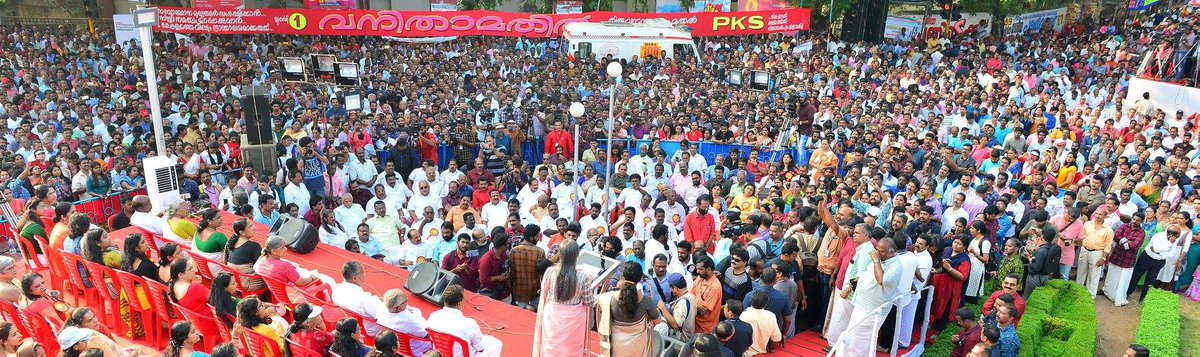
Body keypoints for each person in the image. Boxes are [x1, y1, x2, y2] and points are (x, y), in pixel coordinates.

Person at [833, 238, 902, 357]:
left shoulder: (896, 266)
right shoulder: (880, 259)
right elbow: (864, 275)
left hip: (873, 309)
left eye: (881, 251)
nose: (877, 253)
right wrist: (849, 289)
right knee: (854, 335)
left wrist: (876, 261)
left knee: (859, 340)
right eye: (877, 250)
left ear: (892, 252)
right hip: (861, 304)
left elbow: (881, 280)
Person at [533, 241, 595, 357]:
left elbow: (544, 294)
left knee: (550, 346)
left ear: (560, 254)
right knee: (570, 349)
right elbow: (588, 301)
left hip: (552, 315)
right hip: (574, 320)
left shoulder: (550, 272)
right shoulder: (582, 277)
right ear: (577, 255)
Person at [595, 262, 657, 356]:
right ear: (640, 278)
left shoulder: (608, 298)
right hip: (637, 347)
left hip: (616, 346)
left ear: (622, 277)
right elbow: (658, 321)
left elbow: (595, 300)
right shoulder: (646, 301)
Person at [428, 284, 503, 357]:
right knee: (497, 344)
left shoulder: (433, 316)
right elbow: (480, 348)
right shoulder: (469, 324)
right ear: (459, 304)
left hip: (441, 354)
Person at [254, 236, 331, 300]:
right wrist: (313, 279)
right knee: (327, 281)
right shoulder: (284, 266)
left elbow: (258, 267)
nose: (286, 249)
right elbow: (301, 283)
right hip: (293, 294)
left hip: (278, 293)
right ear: (273, 251)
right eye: (282, 247)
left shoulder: (261, 260)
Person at [1103, 212, 1147, 306]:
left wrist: (1123, 241)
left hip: (1128, 260)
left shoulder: (1141, 232)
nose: (1134, 222)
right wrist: (1126, 242)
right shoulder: (1124, 226)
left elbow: (1135, 245)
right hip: (1117, 256)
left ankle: (1118, 297)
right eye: (1133, 219)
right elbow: (1116, 236)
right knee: (1112, 275)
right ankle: (1108, 292)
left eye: (1137, 220)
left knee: (1123, 279)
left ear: (1141, 222)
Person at [1129, 227, 1183, 303]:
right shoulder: (1158, 236)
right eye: (1175, 237)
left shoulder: (1174, 241)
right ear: (1171, 235)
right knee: (1136, 275)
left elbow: (1171, 254)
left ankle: (1143, 299)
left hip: (1159, 262)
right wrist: (1169, 244)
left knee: (1151, 281)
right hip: (1147, 258)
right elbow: (1156, 248)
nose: (1176, 239)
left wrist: (1160, 254)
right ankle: (1128, 292)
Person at [332, 261, 385, 336]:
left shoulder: (336, 289)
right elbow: (379, 315)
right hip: (367, 329)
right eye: (362, 274)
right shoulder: (363, 298)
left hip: (348, 323)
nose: (364, 276)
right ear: (354, 278)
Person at [929, 236, 970, 331]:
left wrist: (950, 268)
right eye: (955, 242)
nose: (956, 245)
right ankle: (933, 322)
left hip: (951, 287)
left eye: (959, 244)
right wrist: (937, 270)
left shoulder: (964, 259)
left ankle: (940, 327)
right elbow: (941, 266)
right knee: (935, 302)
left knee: (945, 306)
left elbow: (962, 277)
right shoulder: (947, 250)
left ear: (964, 247)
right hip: (939, 283)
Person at [376, 289, 432, 356]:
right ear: (399, 308)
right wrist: (418, 317)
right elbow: (425, 336)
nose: (407, 300)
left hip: (395, 345)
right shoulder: (408, 320)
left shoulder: (380, 310)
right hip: (413, 347)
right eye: (405, 300)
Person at [510, 226, 546, 309]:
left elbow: (512, 274)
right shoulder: (540, 252)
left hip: (519, 292)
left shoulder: (513, 251)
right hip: (535, 291)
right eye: (537, 236)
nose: (538, 239)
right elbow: (543, 274)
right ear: (531, 238)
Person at [654, 274, 697, 341]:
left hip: (682, 340)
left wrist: (663, 308)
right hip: (690, 336)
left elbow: (675, 325)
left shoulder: (682, 303)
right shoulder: (691, 296)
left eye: (671, 289)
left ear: (675, 288)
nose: (671, 291)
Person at [1024, 227, 1061, 299]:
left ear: (1042, 237)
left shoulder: (1041, 251)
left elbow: (1034, 268)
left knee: (1029, 297)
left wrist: (1028, 256)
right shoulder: (1053, 247)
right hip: (1046, 276)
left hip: (1036, 278)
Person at [742, 290, 782, 355]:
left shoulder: (743, 315)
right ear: (765, 304)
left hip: (744, 353)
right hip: (761, 353)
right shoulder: (771, 316)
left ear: (751, 302)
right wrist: (770, 348)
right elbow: (776, 340)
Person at [691, 256, 722, 335]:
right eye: (697, 268)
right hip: (694, 325)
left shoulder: (715, 287)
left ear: (708, 269)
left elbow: (703, 312)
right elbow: (690, 295)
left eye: (700, 269)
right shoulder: (700, 277)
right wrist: (696, 306)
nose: (697, 271)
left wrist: (692, 303)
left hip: (705, 330)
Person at [477, 235, 511, 300]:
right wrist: (499, 277)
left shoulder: (504, 254)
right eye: (507, 244)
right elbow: (483, 280)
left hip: (504, 293)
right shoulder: (486, 260)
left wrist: (507, 274)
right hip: (491, 295)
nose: (508, 245)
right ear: (503, 247)